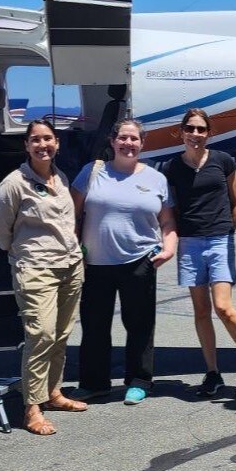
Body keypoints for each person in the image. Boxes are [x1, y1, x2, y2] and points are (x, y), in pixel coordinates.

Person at [0, 119, 86, 436]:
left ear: (57, 143)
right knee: (41, 334)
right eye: (36, 140)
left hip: (70, 264)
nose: (42, 145)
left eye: (48, 139)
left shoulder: (61, 177)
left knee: (61, 333)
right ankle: (32, 407)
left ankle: (54, 393)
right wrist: (23, 253)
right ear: (27, 146)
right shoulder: (14, 183)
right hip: (36, 268)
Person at [71, 119, 177, 405]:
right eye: (123, 138)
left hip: (139, 260)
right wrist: (74, 249)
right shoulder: (92, 172)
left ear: (142, 144)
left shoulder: (156, 179)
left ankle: (139, 380)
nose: (128, 143)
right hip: (95, 262)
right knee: (94, 326)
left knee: (140, 324)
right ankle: (94, 384)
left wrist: (168, 249)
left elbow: (167, 221)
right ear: (112, 141)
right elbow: (71, 213)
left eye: (134, 139)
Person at [165, 108, 236, 399]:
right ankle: (212, 372)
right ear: (181, 132)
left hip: (219, 239)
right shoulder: (173, 167)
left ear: (209, 133)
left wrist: (227, 229)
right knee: (201, 311)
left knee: (223, 307)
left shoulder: (223, 161)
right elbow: (172, 206)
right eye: (190, 129)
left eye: (201, 129)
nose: (195, 134)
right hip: (190, 243)